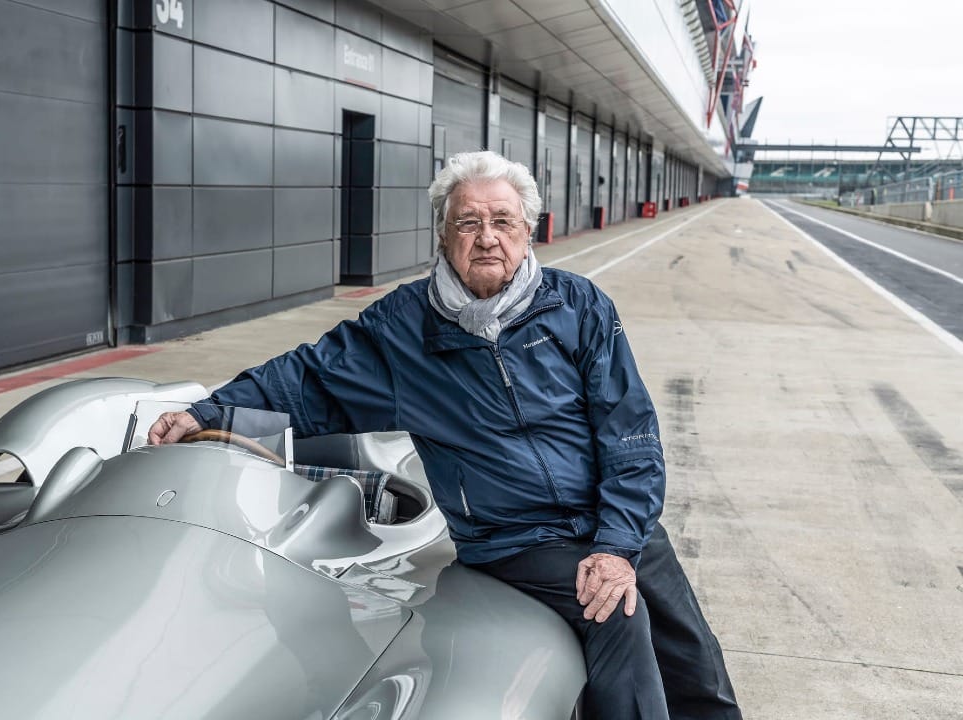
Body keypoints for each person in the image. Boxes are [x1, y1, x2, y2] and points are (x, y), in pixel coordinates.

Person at [150, 150, 741, 719]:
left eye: (502, 221)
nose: (487, 237)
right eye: (469, 222)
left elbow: (629, 433)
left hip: (610, 519)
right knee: (614, 613)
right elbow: (307, 379)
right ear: (443, 236)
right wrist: (211, 412)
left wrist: (617, 543)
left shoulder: (579, 306)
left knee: (695, 660)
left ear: (528, 230)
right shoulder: (403, 328)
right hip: (515, 539)